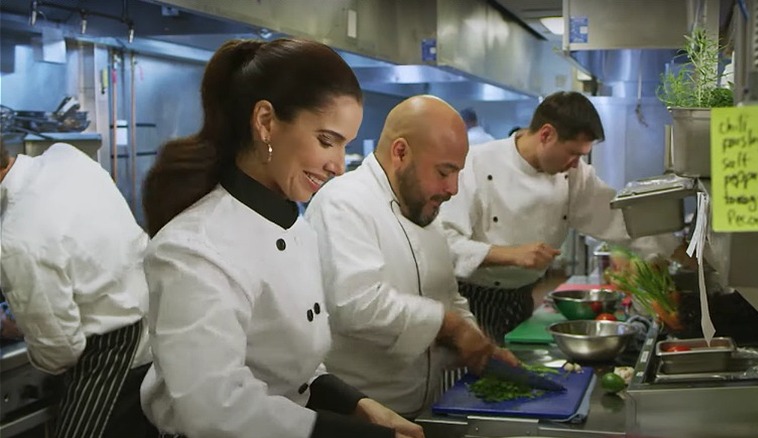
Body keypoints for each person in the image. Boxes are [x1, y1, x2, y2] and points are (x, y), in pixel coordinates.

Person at [140, 38, 422, 438]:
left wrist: (357, 405)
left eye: (344, 145)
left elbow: (289, 368)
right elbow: (215, 410)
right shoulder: (194, 249)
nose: (338, 167)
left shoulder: (295, 226)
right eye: (327, 141)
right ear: (266, 122)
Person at [305, 95, 517, 418]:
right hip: (362, 421)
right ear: (400, 152)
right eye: (444, 172)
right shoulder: (343, 202)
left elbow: (448, 295)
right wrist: (450, 326)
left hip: (427, 411)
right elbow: (356, 305)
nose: (454, 188)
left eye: (458, 172)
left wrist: (478, 344)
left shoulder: (423, 209)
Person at [438, 91, 681, 343]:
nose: (576, 164)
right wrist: (510, 255)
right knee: (476, 378)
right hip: (470, 302)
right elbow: (445, 244)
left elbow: (624, 221)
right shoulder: (476, 163)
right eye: (572, 153)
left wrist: (677, 251)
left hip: (521, 299)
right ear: (546, 135)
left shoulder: (575, 177)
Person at [0, 140, 155, 438]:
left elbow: (59, 352)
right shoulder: (65, 156)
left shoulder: (18, 239)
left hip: (114, 355)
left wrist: (19, 327)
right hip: (155, 321)